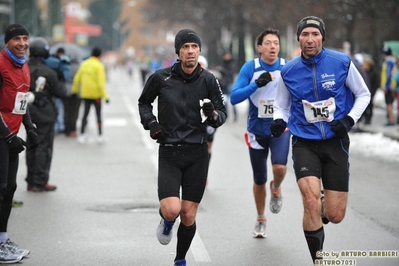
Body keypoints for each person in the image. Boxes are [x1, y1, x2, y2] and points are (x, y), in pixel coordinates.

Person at [270, 16, 371, 263]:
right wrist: (279, 120)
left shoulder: (341, 63)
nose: (310, 39)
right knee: (310, 200)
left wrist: (348, 120)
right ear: (299, 39)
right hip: (304, 141)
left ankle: (326, 202)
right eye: (305, 34)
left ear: (322, 37)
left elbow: (363, 94)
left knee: (335, 215)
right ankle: (318, 259)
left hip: (335, 141)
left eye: (315, 34)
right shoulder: (289, 71)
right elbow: (281, 106)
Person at [138, 29, 227, 266]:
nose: (190, 51)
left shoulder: (208, 79)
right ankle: (167, 222)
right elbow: (144, 103)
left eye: (194, 47)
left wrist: (212, 116)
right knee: (171, 210)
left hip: (198, 152)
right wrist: (152, 123)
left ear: (199, 50)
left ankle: (180, 260)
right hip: (170, 151)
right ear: (178, 51)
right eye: (185, 47)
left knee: (188, 214)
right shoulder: (160, 78)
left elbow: (222, 114)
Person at [230, 28, 290, 238]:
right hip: (256, 130)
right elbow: (234, 97)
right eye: (268, 43)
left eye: (276, 43)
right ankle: (261, 218)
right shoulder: (251, 68)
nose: (273, 46)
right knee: (259, 179)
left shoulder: (286, 67)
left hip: (280, 127)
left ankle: (277, 188)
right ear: (260, 47)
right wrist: (256, 84)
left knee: (280, 167)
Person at [0, 23, 38, 263]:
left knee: (10, 189)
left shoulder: (24, 65)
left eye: (25, 38)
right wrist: (8, 135)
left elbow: (21, 99)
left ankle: (3, 240)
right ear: (7, 42)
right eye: (17, 39)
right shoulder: (1, 65)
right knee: (0, 188)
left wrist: (30, 126)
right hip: (2, 136)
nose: (22, 43)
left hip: (11, 136)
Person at [26, 37, 68, 192]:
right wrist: (62, 77)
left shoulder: (24, 69)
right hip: (45, 114)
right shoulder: (49, 72)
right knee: (43, 147)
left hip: (27, 114)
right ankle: (40, 181)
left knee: (31, 146)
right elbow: (61, 92)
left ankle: (31, 181)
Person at [72, 47, 109, 144]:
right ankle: (100, 136)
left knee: (85, 115)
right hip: (96, 95)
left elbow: (77, 79)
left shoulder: (84, 64)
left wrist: (74, 91)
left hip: (85, 94)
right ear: (100, 55)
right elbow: (101, 83)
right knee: (98, 115)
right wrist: (105, 97)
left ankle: (82, 135)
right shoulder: (99, 66)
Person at [45, 47, 72, 135]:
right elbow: (65, 77)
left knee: (55, 108)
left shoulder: (50, 61)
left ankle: (56, 126)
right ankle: (60, 126)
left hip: (51, 89)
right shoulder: (62, 63)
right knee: (59, 108)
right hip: (58, 89)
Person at [380, 46, 397, 126]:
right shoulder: (393, 62)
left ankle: (391, 120)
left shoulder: (388, 62)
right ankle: (391, 119)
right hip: (391, 86)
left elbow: (388, 75)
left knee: (389, 104)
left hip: (389, 87)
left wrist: (385, 86)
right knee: (390, 103)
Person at [219, 52, 237, 121]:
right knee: (225, 100)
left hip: (229, 83)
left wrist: (222, 71)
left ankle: (235, 114)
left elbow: (230, 72)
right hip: (224, 83)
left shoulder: (232, 63)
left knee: (232, 100)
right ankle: (226, 115)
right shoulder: (223, 63)